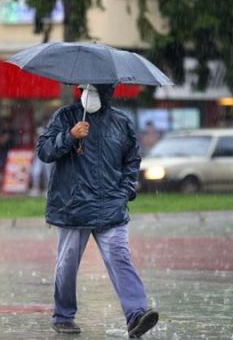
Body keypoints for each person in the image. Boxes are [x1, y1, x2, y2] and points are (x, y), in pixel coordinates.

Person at [37, 83, 159, 338]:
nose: (89, 95)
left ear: (107, 93)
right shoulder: (65, 117)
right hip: (73, 207)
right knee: (67, 265)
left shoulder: (121, 123)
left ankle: (136, 314)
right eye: (85, 90)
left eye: (96, 90)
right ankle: (63, 315)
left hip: (110, 207)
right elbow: (45, 151)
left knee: (120, 257)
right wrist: (70, 136)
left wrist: (125, 191)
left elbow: (131, 160)